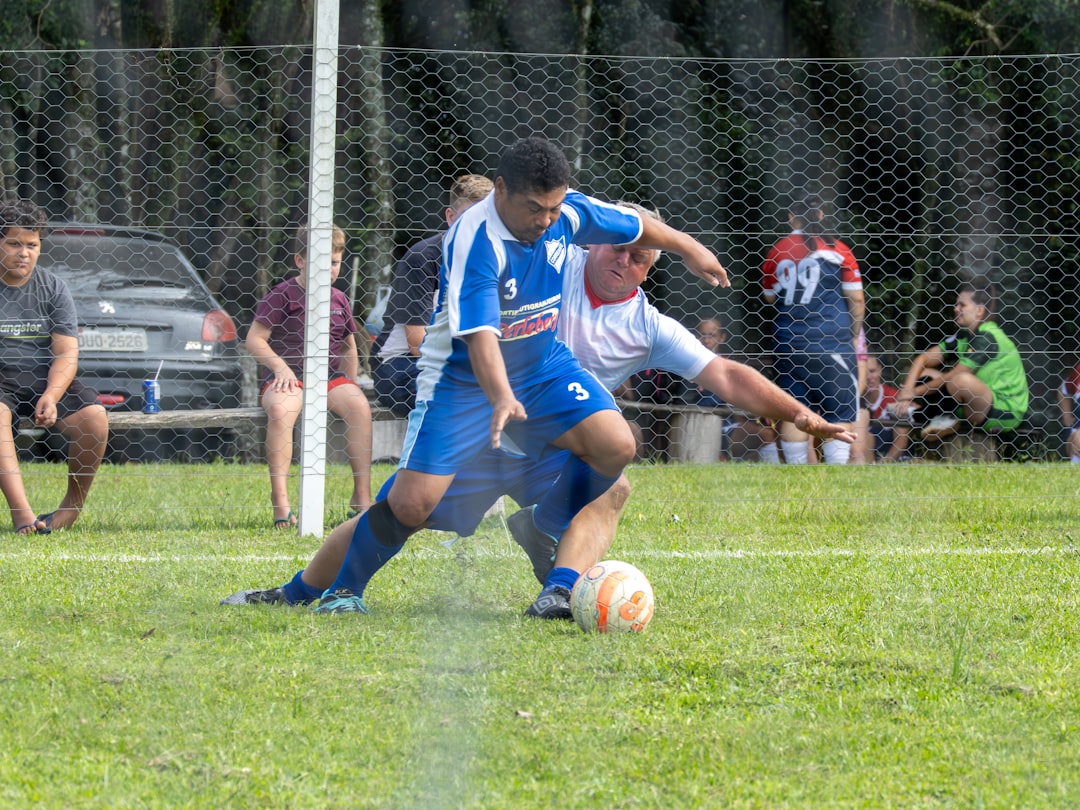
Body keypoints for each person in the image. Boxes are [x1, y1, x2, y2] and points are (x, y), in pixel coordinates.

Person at [223, 203, 853, 619]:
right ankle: (300, 591)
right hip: (482, 428)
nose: (624, 262)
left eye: (639, 260)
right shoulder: (550, 253)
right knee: (402, 509)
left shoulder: (645, 324)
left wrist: (801, 413)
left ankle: (556, 584)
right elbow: (483, 323)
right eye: (619, 249)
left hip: (548, 447)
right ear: (596, 245)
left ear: (648, 270)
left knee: (615, 478)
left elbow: (725, 374)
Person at [310, 137, 729, 616]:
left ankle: (543, 527)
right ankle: (340, 591)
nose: (546, 219)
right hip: (460, 381)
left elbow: (638, 225)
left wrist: (692, 249)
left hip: (542, 365)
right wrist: (501, 397)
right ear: (502, 190)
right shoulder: (474, 239)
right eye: (535, 207)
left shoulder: (567, 211)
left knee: (616, 446)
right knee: (412, 504)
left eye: (553, 208)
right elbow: (481, 337)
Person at [246, 223, 372, 528]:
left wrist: (350, 382)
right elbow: (254, 339)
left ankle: (362, 499)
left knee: (359, 407)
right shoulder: (282, 295)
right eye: (319, 262)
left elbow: (347, 346)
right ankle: (282, 506)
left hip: (327, 377)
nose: (328, 269)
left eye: (334, 263)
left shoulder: (339, 298)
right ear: (300, 260)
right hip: (289, 377)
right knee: (280, 409)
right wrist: (280, 367)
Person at [0, 197, 108, 534]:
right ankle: (23, 516)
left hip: (43, 378)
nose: (24, 253)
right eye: (13, 243)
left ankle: (69, 510)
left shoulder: (53, 288)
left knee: (94, 418)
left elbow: (65, 353)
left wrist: (51, 394)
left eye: (32, 245)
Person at [372, 174, 494, 417]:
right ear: (450, 217)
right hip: (401, 364)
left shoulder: (496, 258)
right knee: (464, 392)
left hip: (463, 359)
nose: (478, 228)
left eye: (487, 219)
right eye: (469, 218)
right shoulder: (424, 258)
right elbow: (417, 343)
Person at [763, 192, 864, 465]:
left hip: (789, 344)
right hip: (830, 341)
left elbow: (771, 298)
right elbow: (856, 299)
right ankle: (837, 479)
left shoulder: (777, 251)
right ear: (821, 215)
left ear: (790, 217)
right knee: (839, 410)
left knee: (795, 409)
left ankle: (796, 475)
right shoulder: (839, 249)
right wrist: (853, 335)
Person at [892, 279, 1029, 443]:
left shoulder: (987, 337)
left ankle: (923, 415)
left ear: (979, 310)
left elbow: (957, 375)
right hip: (974, 404)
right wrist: (907, 389)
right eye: (956, 304)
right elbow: (924, 358)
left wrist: (914, 392)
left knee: (960, 380)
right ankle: (941, 418)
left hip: (1004, 412)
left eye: (962, 305)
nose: (955, 309)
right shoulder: (963, 336)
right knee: (925, 372)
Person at [685, 317, 779, 463]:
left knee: (769, 436)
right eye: (702, 335)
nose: (706, 340)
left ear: (722, 338)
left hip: (729, 424)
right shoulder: (687, 365)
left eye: (712, 335)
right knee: (766, 436)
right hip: (700, 426)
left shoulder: (728, 366)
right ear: (696, 337)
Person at [863, 354, 911, 462]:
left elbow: (901, 441)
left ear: (880, 370)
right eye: (864, 373)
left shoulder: (895, 397)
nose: (869, 377)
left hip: (890, 461)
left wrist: (883, 465)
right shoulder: (851, 400)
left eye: (872, 371)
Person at [1057, 360, 1080, 463]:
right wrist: (1066, 415)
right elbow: (1062, 390)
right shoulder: (1078, 370)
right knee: (1075, 441)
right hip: (1076, 431)